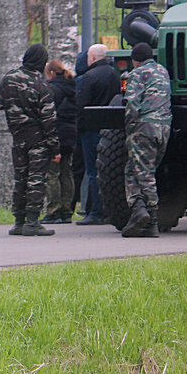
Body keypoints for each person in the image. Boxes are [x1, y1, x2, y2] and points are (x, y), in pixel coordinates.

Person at [0, 43, 60, 236]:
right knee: (37, 179)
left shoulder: (8, 79)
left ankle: (19, 221)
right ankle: (33, 221)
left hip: (17, 137)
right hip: (38, 139)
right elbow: (49, 120)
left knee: (20, 178)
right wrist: (55, 147)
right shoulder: (42, 85)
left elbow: (0, 104)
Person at [121, 41, 172, 238]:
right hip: (163, 128)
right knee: (137, 169)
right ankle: (140, 215)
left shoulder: (137, 74)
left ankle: (149, 217)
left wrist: (130, 128)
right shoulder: (162, 71)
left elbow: (132, 104)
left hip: (144, 127)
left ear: (135, 60)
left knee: (143, 174)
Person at [75, 43, 119, 225]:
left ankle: (96, 211)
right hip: (112, 129)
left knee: (93, 171)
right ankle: (109, 209)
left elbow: (81, 106)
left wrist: (79, 128)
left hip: (91, 129)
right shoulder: (114, 74)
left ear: (91, 58)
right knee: (110, 170)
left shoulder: (89, 77)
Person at [42, 60, 78, 224]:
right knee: (67, 172)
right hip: (71, 133)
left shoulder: (51, 89)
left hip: (57, 132)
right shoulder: (73, 86)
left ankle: (53, 210)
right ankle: (66, 210)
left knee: (53, 173)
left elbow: (47, 114)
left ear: (50, 72)